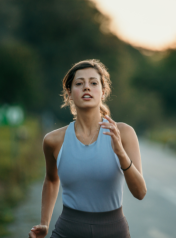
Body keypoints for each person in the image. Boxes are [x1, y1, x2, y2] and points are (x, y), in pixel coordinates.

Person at [28, 59, 147, 238]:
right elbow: (52, 181)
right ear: (69, 93)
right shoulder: (53, 140)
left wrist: (120, 152)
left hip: (113, 231)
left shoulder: (124, 133)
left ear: (103, 91)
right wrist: (44, 223)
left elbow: (140, 192)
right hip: (68, 231)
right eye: (79, 83)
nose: (86, 88)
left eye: (93, 83)